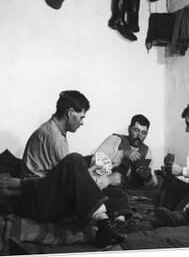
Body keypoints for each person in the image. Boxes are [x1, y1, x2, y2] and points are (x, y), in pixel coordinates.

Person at [20, 90, 124, 248]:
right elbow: (71, 178)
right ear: (70, 113)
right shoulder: (52, 135)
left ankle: (110, 218)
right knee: (76, 160)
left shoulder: (55, 131)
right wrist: (101, 177)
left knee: (94, 174)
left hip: (43, 195)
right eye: (81, 117)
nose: (82, 122)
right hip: (35, 201)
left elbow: (69, 177)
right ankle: (105, 224)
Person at [93, 114, 158, 189]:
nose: (139, 135)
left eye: (143, 133)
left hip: (132, 193)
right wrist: (122, 154)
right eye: (136, 130)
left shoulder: (147, 151)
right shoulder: (115, 140)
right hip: (108, 188)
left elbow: (154, 184)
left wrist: (148, 177)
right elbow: (94, 164)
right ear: (129, 129)